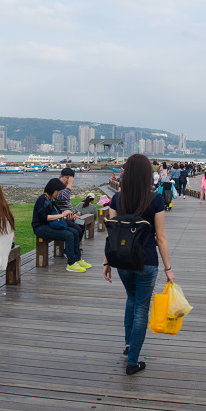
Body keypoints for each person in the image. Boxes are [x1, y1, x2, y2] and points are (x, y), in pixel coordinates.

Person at [103, 153, 175, 375]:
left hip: (122, 260)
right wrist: (168, 269)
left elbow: (112, 233)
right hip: (147, 261)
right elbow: (160, 237)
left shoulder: (117, 199)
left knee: (131, 299)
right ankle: (133, 361)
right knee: (142, 307)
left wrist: (107, 261)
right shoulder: (155, 200)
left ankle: (128, 344)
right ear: (146, 175)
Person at [32, 178, 91, 272]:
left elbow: (55, 216)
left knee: (75, 232)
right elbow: (44, 217)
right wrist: (63, 215)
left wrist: (68, 217)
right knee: (69, 235)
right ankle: (71, 263)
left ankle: (77, 258)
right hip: (40, 228)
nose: (58, 193)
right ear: (52, 189)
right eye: (58, 191)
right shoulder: (42, 199)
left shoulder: (51, 199)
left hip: (49, 225)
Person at [54, 167, 86, 252]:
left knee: (82, 224)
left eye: (70, 178)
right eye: (66, 178)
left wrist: (74, 215)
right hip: (61, 218)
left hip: (70, 216)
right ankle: (69, 250)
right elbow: (63, 197)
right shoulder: (56, 186)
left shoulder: (65, 188)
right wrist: (70, 184)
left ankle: (75, 248)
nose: (68, 180)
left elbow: (67, 203)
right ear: (61, 176)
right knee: (77, 229)